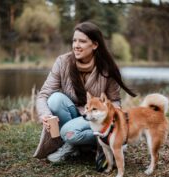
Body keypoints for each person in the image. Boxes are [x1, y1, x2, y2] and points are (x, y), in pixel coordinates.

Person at [33, 21, 136, 167]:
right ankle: (74, 144)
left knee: (69, 132)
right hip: (75, 114)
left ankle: (106, 141)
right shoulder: (62, 62)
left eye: (82, 41)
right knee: (55, 99)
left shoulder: (108, 68)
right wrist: (45, 114)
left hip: (98, 119)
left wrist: (109, 120)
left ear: (94, 45)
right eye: (74, 40)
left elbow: (115, 101)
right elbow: (43, 95)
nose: (76, 45)